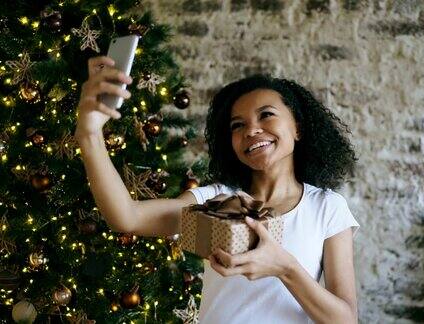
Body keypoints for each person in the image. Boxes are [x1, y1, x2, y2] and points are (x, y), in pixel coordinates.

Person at [75, 56, 360, 323]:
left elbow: (346, 319)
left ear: (297, 127)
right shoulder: (215, 202)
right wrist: (89, 135)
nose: (251, 130)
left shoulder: (327, 207)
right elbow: (127, 217)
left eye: (266, 115)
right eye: (238, 125)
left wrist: (285, 268)